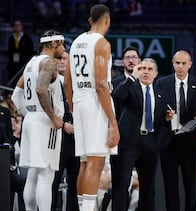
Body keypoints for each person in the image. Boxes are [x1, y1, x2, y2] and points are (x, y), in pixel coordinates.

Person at [64, 4, 120, 211]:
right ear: (107, 21)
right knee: (95, 163)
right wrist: (113, 122)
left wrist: (73, 107)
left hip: (79, 102)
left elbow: (67, 83)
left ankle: (83, 208)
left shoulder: (76, 41)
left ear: (90, 20)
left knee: (85, 163)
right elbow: (100, 84)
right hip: (95, 103)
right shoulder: (102, 43)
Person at [111, 58, 172, 211]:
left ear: (156, 73)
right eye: (142, 68)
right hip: (128, 142)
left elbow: (162, 122)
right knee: (121, 184)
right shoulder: (130, 87)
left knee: (148, 187)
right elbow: (117, 96)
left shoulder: (161, 94)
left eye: (150, 69)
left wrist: (167, 119)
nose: (145, 71)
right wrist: (132, 77)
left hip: (150, 142)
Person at [16, 29, 66, 211]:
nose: (63, 48)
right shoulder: (49, 62)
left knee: (33, 173)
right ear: (53, 44)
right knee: (46, 174)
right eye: (62, 43)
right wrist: (53, 117)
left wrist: (27, 113)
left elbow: (16, 94)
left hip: (31, 119)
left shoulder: (31, 63)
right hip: (45, 122)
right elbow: (40, 90)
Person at [156, 50, 196, 211]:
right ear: (172, 63)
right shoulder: (162, 83)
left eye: (184, 63)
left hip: (190, 142)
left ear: (190, 64)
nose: (180, 66)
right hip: (168, 141)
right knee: (170, 185)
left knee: (190, 184)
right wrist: (166, 116)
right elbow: (156, 111)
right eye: (177, 63)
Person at [110, 46, 141, 210]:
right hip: (121, 141)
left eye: (134, 57)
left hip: (143, 140)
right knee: (120, 185)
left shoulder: (146, 82)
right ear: (122, 62)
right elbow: (118, 97)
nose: (131, 60)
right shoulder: (115, 83)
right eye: (128, 57)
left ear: (139, 61)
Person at [51, 51, 80, 211]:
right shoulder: (50, 81)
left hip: (77, 137)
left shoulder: (77, 81)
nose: (61, 61)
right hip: (57, 135)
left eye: (64, 59)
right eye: (58, 58)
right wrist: (63, 124)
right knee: (53, 179)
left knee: (75, 180)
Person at [7, 20, 34, 85]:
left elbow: (30, 51)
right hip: (13, 64)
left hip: (23, 63)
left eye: (19, 25)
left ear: (21, 27)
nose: (17, 27)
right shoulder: (11, 38)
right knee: (13, 80)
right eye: (15, 25)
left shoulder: (27, 38)